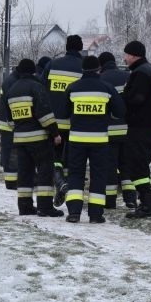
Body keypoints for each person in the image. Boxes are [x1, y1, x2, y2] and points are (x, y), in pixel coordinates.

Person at [64, 55, 126, 223]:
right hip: (100, 141)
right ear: (99, 69)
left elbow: (63, 113)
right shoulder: (107, 88)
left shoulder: (73, 88)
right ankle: (96, 214)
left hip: (76, 139)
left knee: (76, 174)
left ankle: (74, 212)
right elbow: (120, 112)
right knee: (99, 175)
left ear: (82, 69)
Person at [0, 58, 63, 217]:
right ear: (34, 71)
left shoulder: (12, 90)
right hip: (39, 139)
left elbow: (10, 120)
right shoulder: (36, 87)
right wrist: (55, 133)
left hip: (20, 140)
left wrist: (20, 131)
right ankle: (45, 207)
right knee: (44, 170)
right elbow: (45, 115)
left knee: (24, 173)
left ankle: (25, 206)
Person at [41, 35, 84, 205]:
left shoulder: (52, 65)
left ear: (66, 47)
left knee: (53, 156)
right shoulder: (83, 68)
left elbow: (41, 90)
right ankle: (66, 186)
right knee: (71, 160)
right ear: (80, 48)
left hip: (54, 123)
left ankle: (60, 183)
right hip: (75, 123)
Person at [122, 40, 151, 219]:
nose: (125, 58)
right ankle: (145, 201)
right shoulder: (148, 70)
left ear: (133, 55)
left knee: (137, 165)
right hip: (148, 126)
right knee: (138, 165)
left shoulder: (140, 73)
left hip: (141, 127)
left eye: (126, 55)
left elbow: (137, 98)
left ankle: (147, 203)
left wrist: (121, 99)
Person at [98, 51, 136, 209]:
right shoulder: (128, 77)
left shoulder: (100, 80)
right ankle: (131, 199)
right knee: (127, 166)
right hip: (127, 129)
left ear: (101, 65)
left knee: (110, 167)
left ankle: (110, 200)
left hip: (109, 131)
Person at [0, 62, 23, 191]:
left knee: (9, 152)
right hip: (9, 125)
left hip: (6, 123)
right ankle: (11, 182)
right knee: (11, 153)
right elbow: (10, 103)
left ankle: (12, 180)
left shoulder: (11, 80)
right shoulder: (12, 82)